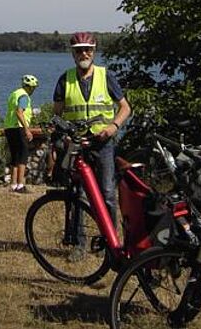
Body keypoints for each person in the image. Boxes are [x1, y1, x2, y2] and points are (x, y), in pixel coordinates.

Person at [53, 32, 131, 259]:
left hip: (103, 143)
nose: (83, 54)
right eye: (79, 50)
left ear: (94, 51)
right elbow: (57, 114)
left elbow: (125, 107)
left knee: (107, 193)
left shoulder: (106, 76)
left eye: (88, 49)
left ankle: (111, 242)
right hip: (77, 145)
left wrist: (114, 126)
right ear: (72, 53)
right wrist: (62, 134)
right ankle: (80, 244)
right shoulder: (64, 79)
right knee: (80, 196)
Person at [4, 74, 39, 193]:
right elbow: (19, 112)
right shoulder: (24, 96)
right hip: (19, 128)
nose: (33, 90)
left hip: (9, 127)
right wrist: (27, 129)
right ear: (29, 87)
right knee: (23, 156)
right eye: (33, 88)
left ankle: (13, 184)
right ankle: (20, 184)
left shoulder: (14, 94)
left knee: (15, 156)